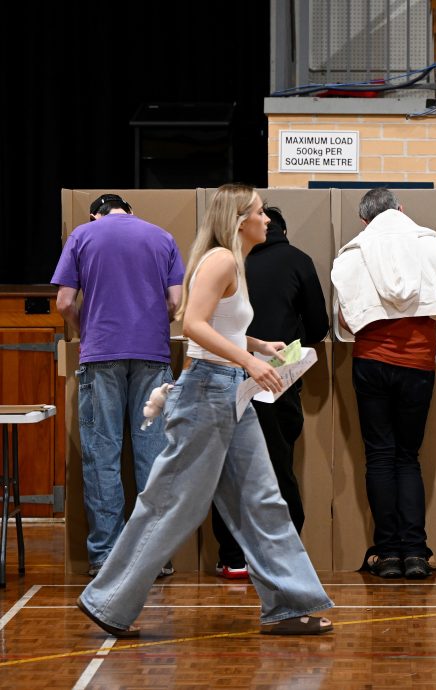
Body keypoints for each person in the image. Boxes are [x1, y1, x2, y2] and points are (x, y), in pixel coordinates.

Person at [77, 183, 333, 637]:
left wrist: (256, 345)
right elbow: (191, 324)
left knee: (263, 501)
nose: (267, 219)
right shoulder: (222, 260)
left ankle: (290, 605)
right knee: (171, 503)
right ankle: (107, 601)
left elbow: (215, 325)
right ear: (239, 219)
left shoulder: (232, 261)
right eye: (259, 212)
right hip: (207, 392)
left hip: (227, 390)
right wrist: (249, 359)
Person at [52, 193, 184, 578]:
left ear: (96, 215)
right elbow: (176, 301)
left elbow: (63, 302)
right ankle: (153, 556)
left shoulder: (82, 235)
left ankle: (107, 557)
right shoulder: (161, 237)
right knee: (155, 458)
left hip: (101, 354)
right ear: (131, 211)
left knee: (102, 457)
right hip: (152, 357)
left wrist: (85, 330)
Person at [331, 187, 436, 580]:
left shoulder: (354, 251)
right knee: (408, 457)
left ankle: (387, 554)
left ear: (364, 220)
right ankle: (416, 553)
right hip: (418, 363)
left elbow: (347, 322)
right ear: (401, 210)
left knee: (380, 457)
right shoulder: (429, 245)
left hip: (370, 361)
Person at [211, 205, 329, 579]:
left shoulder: (225, 262)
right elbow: (318, 325)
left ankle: (233, 556)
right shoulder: (297, 260)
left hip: (227, 374)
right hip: (279, 377)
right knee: (278, 467)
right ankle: (283, 555)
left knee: (229, 469)